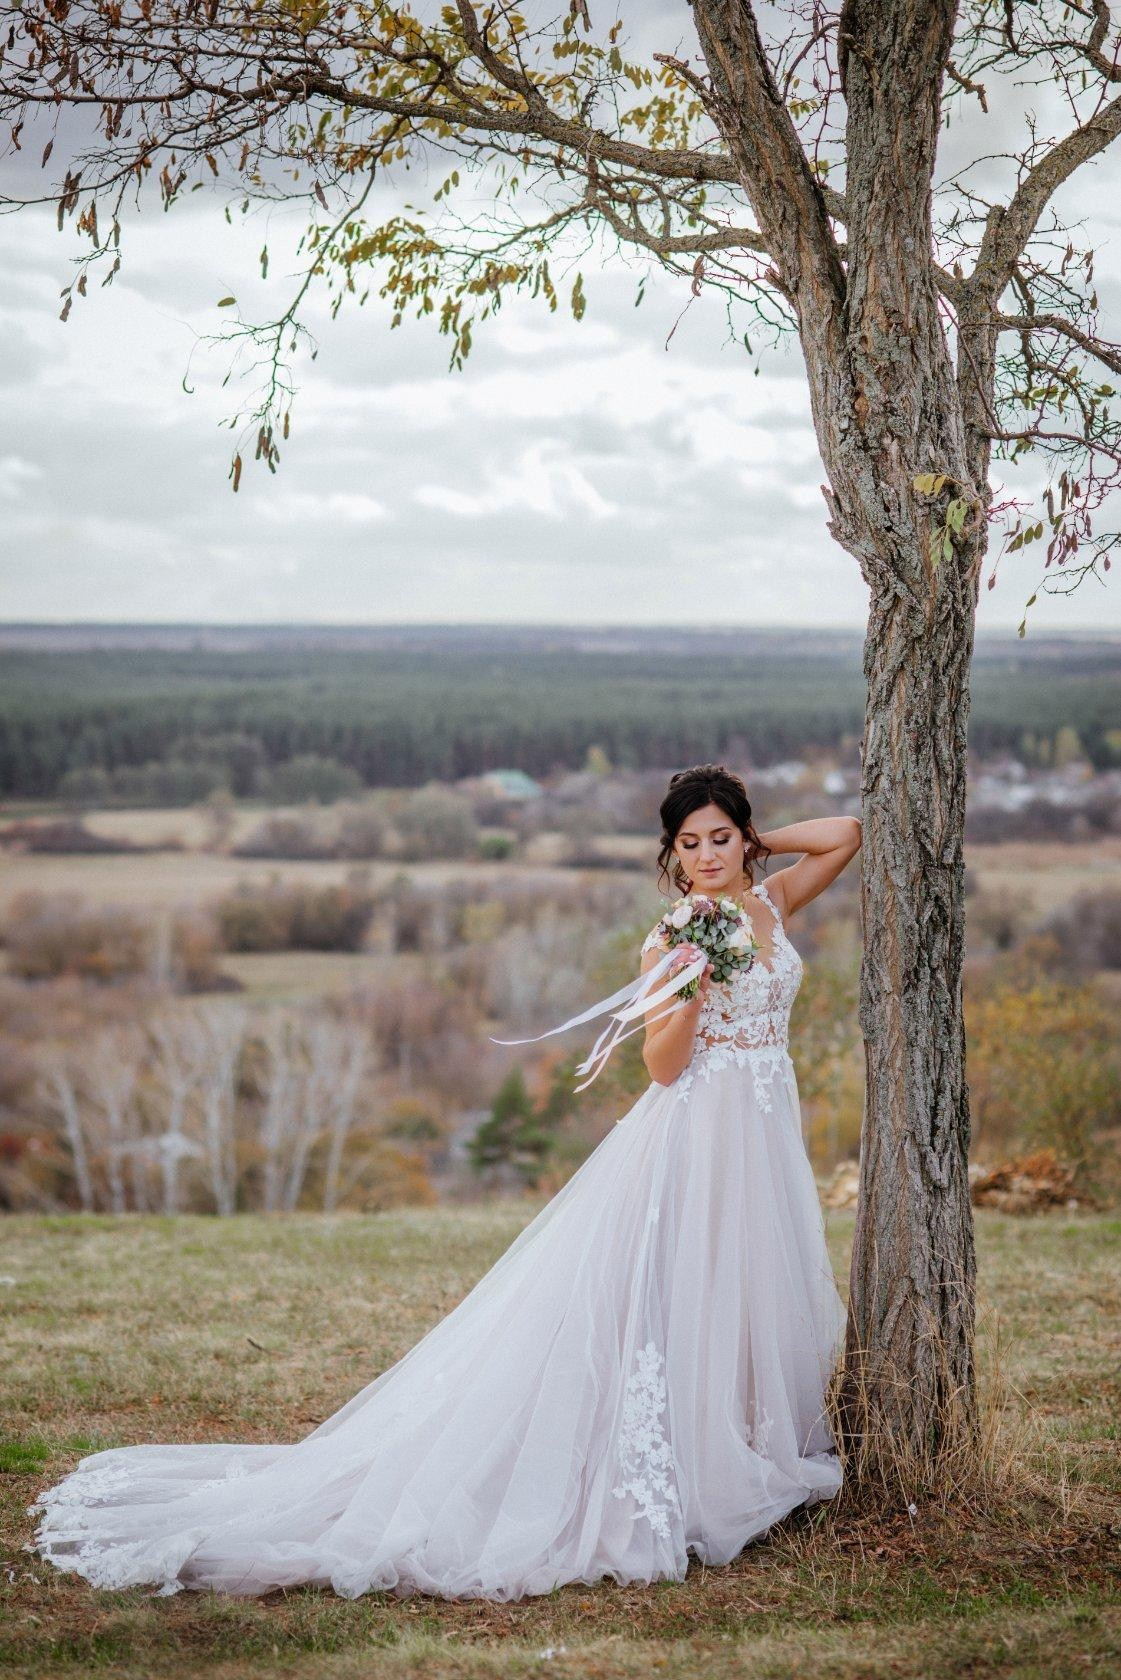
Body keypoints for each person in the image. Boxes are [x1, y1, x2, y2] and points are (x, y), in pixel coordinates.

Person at [29, 763, 861, 1603]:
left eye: (721, 838)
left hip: (761, 1128)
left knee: (748, 1283)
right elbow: (661, 1067)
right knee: (684, 1287)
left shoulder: (770, 905)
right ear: (671, 856)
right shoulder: (671, 938)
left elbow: (845, 836)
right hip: (697, 1131)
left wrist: (761, 840)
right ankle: (688, 1464)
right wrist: (691, 987)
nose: (708, 855)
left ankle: (744, 1446)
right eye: (690, 844)